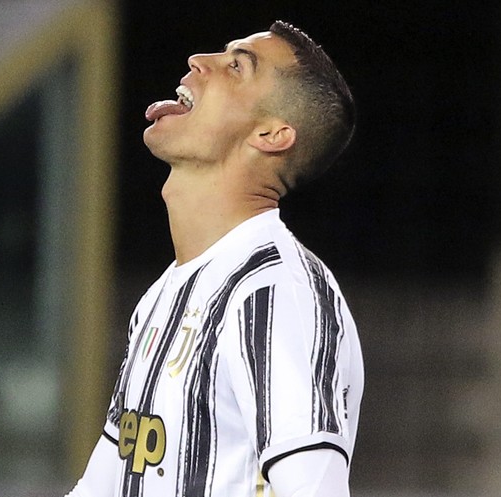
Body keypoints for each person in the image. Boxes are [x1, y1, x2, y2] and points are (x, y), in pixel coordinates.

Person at [66, 20, 363, 497]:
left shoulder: (274, 292)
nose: (198, 61)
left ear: (271, 134)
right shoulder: (164, 295)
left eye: (237, 66)